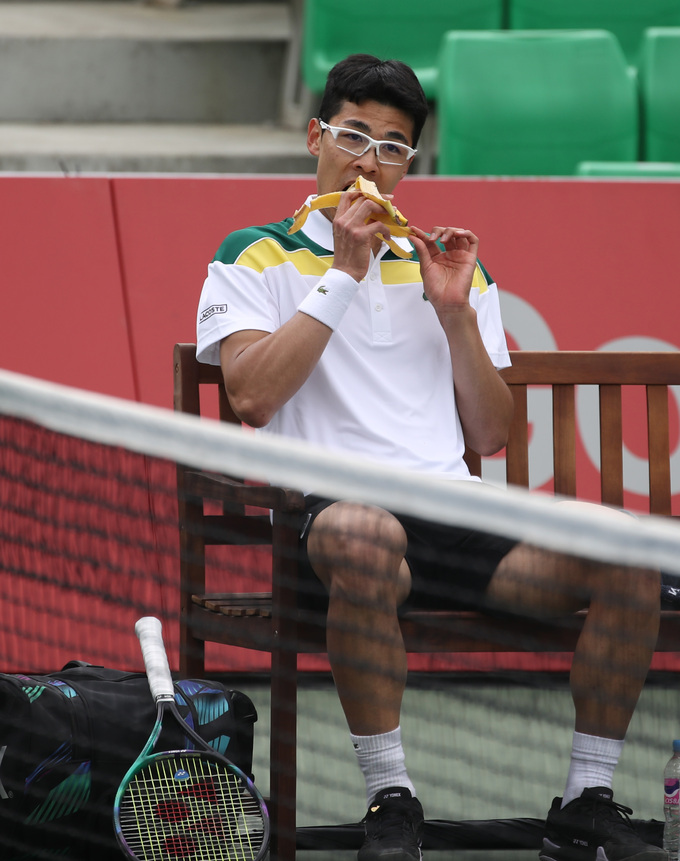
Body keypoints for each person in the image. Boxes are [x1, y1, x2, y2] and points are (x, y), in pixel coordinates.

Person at [196, 54, 664, 861]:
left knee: (628, 550)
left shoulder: (445, 264)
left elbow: (489, 435)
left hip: (458, 522)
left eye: (392, 147)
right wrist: (344, 274)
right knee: (365, 533)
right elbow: (254, 396)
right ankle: (391, 796)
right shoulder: (255, 254)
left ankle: (586, 800)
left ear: (409, 164)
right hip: (338, 529)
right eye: (353, 136)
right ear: (315, 138)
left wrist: (454, 315)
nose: (368, 161)